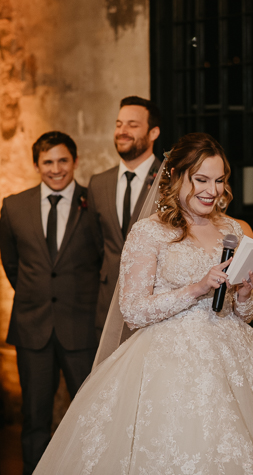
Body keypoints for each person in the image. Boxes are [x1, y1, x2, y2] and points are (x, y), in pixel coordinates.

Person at [33, 133, 253, 474]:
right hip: (165, 361)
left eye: (219, 181)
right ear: (176, 177)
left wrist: (245, 293)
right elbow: (133, 310)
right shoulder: (149, 232)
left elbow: (243, 313)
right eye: (201, 180)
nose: (211, 190)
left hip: (233, 356)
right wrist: (196, 288)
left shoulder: (233, 228)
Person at [0, 132, 103, 475]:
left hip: (82, 327)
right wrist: (37, 294)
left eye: (62, 161)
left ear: (74, 162)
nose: (56, 169)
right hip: (33, 327)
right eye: (47, 162)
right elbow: (12, 265)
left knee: (91, 413)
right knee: (34, 417)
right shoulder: (14, 206)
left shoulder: (94, 203)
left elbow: (105, 259)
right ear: (36, 165)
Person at [88, 96, 161, 341]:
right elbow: (97, 245)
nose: (122, 131)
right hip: (107, 307)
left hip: (154, 311)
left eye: (132, 125)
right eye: (119, 124)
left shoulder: (171, 182)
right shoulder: (98, 184)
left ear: (153, 133)